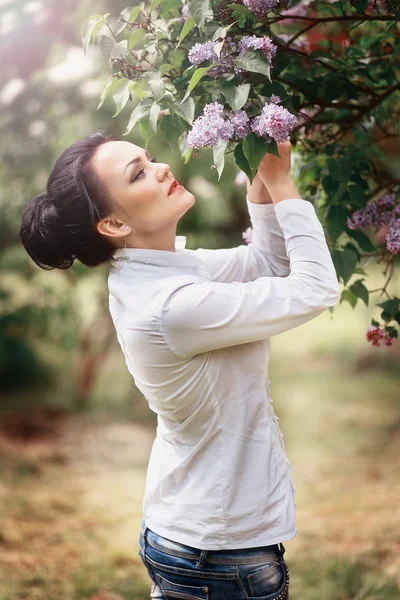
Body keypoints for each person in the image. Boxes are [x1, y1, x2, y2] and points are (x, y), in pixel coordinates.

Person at [19, 130, 340, 599]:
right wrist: (282, 182)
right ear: (112, 224)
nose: (163, 167)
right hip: (220, 554)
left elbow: (267, 262)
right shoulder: (171, 305)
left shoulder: (159, 271)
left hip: (194, 536)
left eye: (149, 158)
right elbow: (314, 289)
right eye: (139, 174)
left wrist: (257, 177)